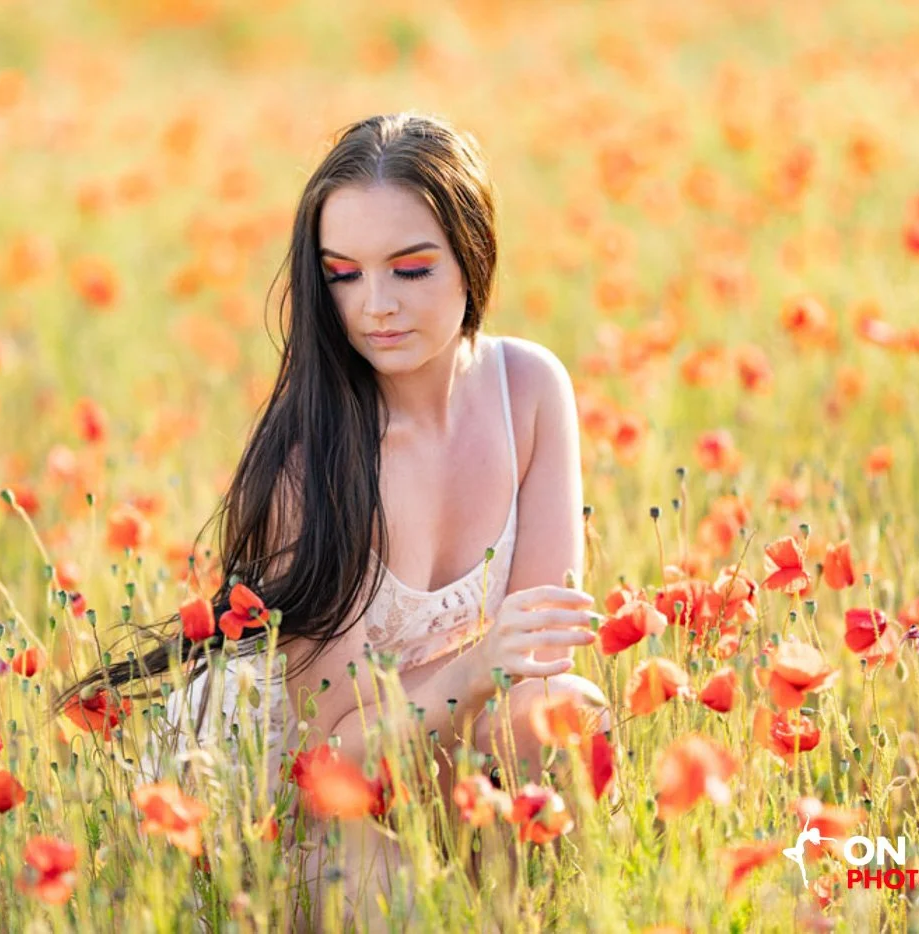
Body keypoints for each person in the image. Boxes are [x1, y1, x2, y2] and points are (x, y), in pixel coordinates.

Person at [59, 111, 610, 930]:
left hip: (441, 739)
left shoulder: (529, 390)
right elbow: (329, 752)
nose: (375, 307)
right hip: (281, 777)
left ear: (474, 255)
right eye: (344, 274)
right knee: (408, 907)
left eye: (412, 270)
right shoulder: (306, 455)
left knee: (567, 712)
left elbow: (537, 660)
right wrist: (473, 670)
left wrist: (495, 691)